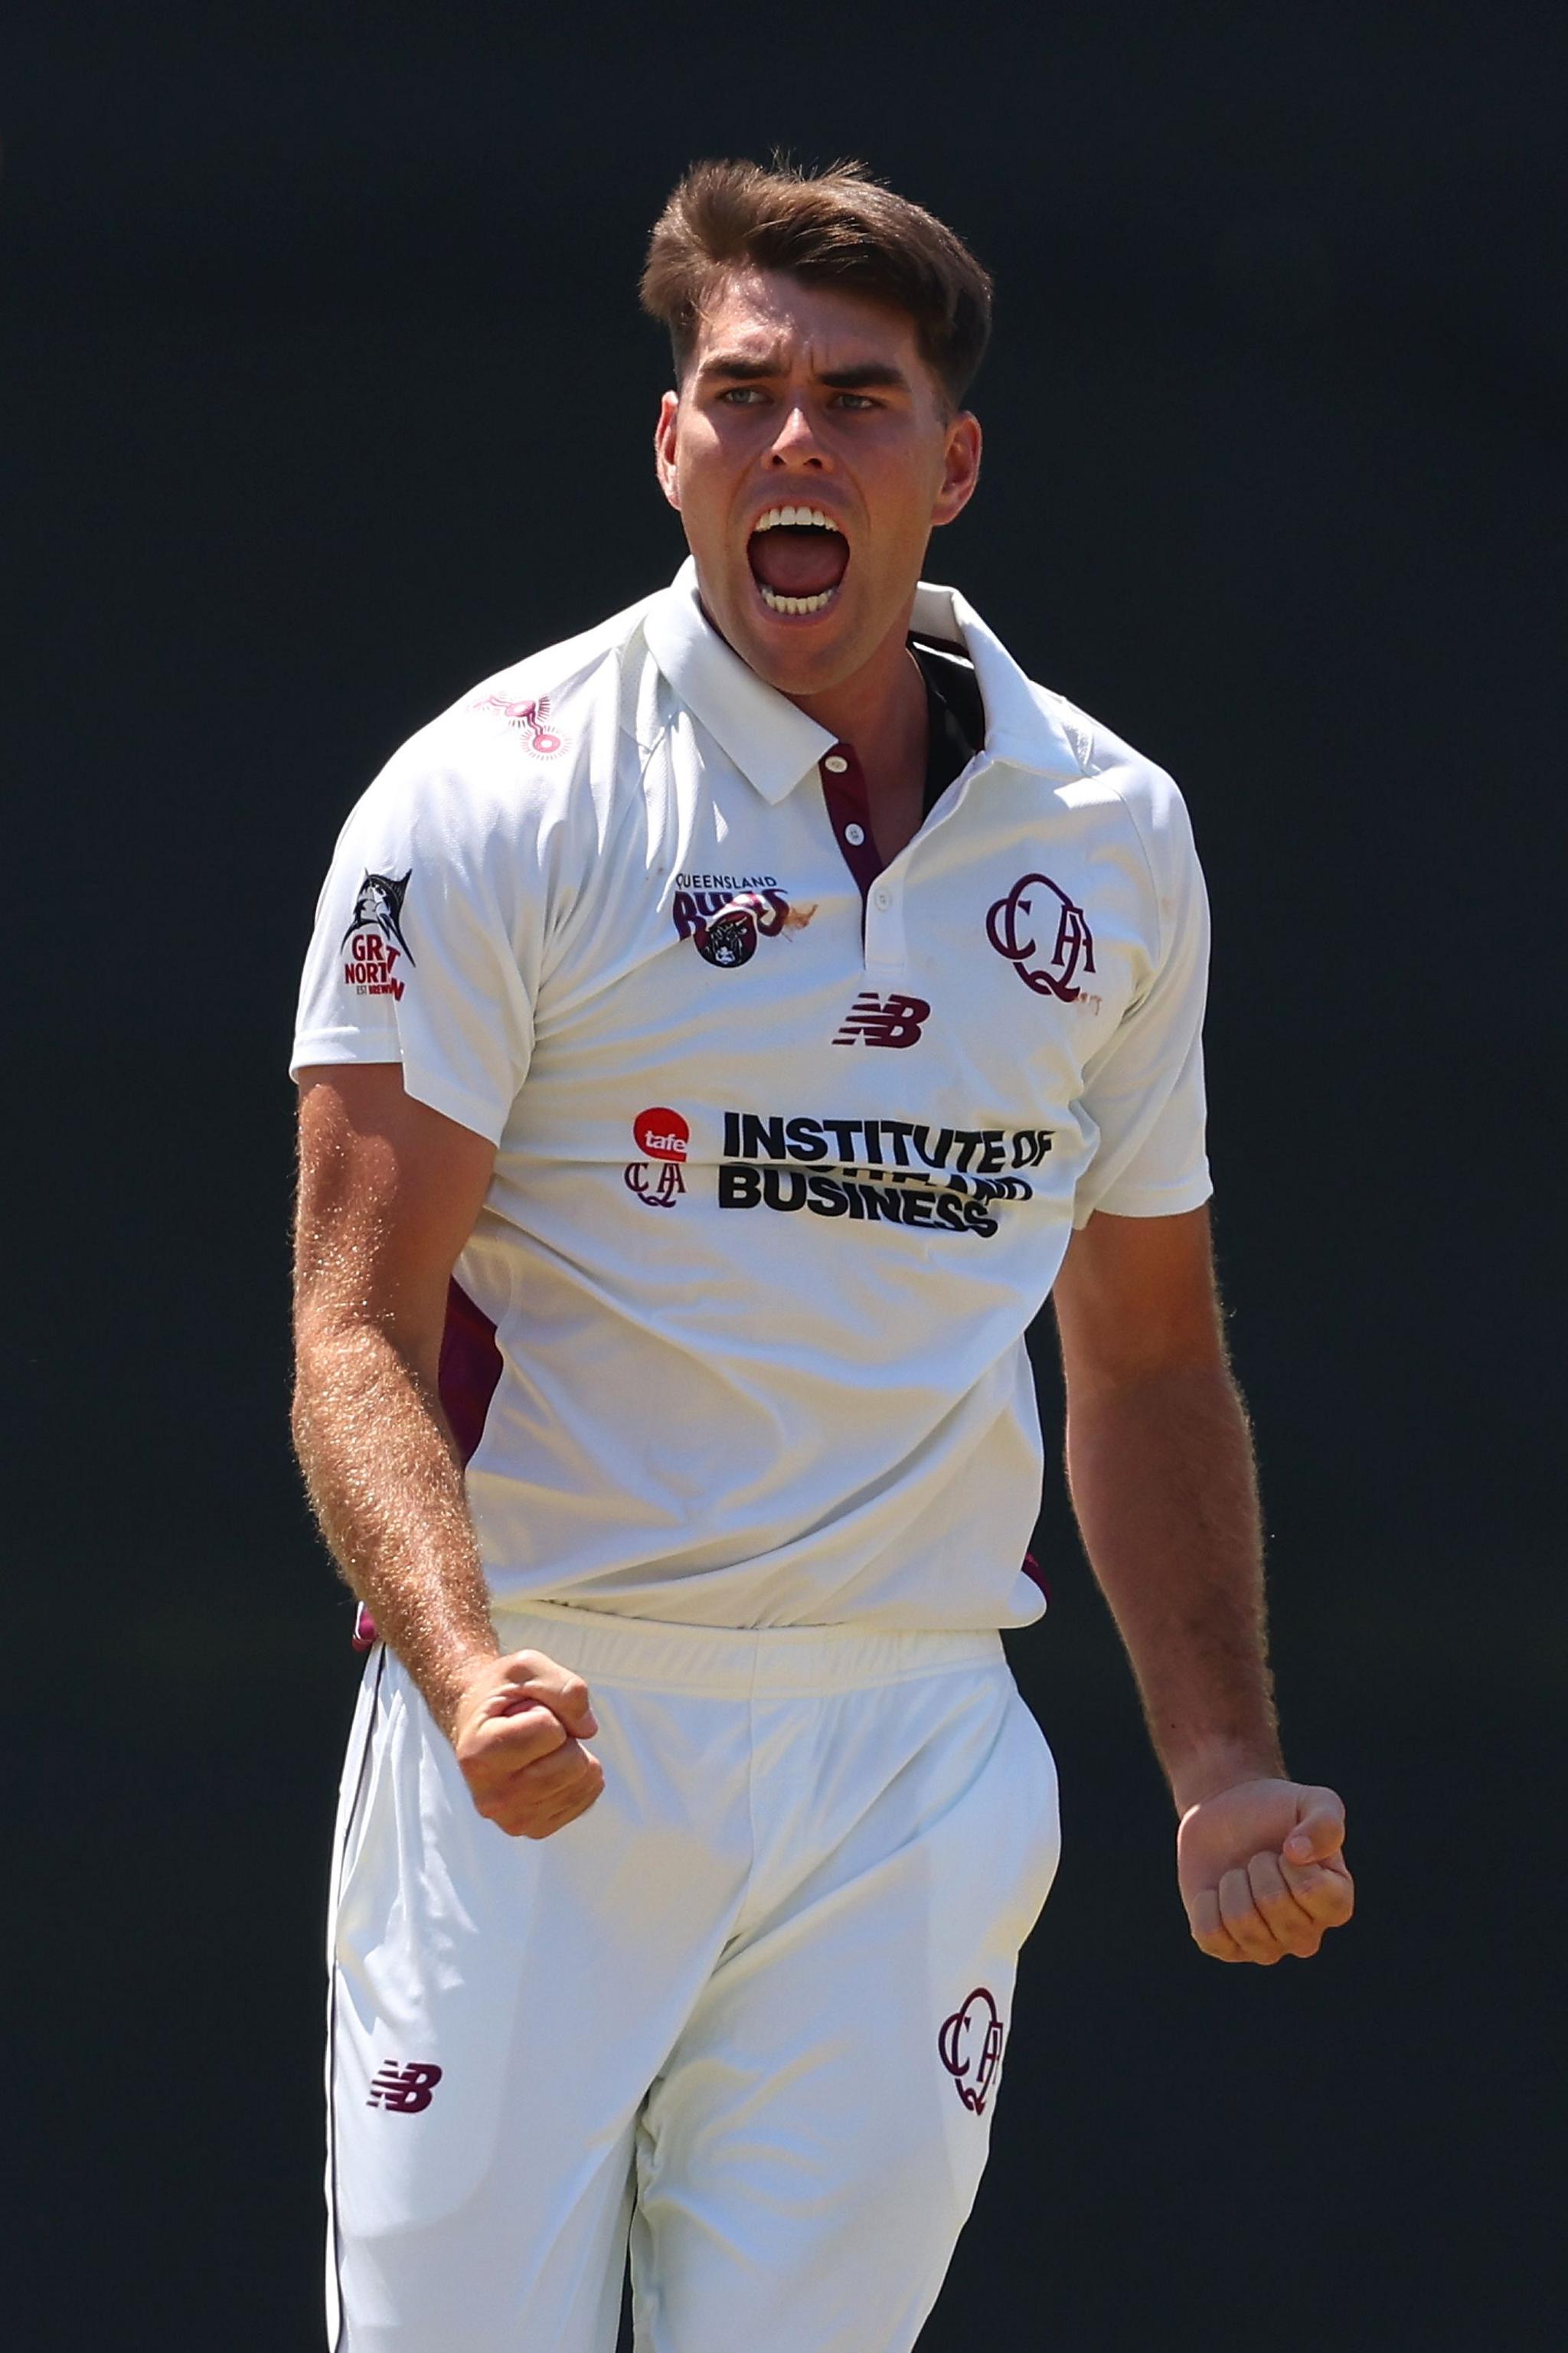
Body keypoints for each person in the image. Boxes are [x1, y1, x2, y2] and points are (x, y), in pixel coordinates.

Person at [290, 158, 1354, 2353]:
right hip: (547, 1727)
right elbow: (355, 1329)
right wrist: (467, 1651)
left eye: (859, 401)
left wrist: (1225, 1759)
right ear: (670, 444)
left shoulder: (1112, 835)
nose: (800, 441)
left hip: (906, 1755)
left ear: (949, 468)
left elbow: (1145, 1350)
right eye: (747, 391)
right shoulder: (494, 798)